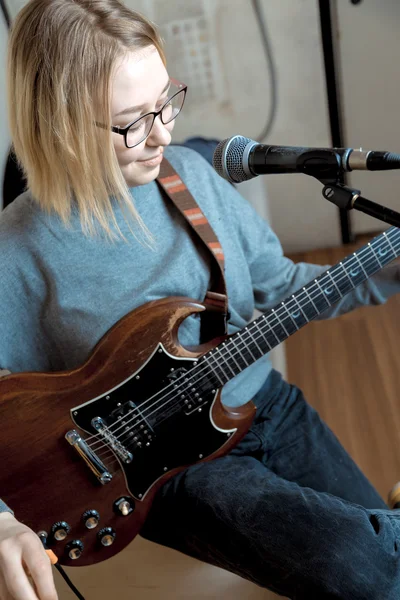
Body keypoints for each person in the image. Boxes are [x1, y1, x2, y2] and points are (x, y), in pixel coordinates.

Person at [1, 1, 400, 599]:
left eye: (166, 101)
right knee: (363, 570)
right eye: (134, 120)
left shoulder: (190, 175)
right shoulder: (18, 253)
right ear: (59, 125)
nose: (163, 133)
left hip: (265, 405)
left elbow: (284, 290)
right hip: (168, 474)